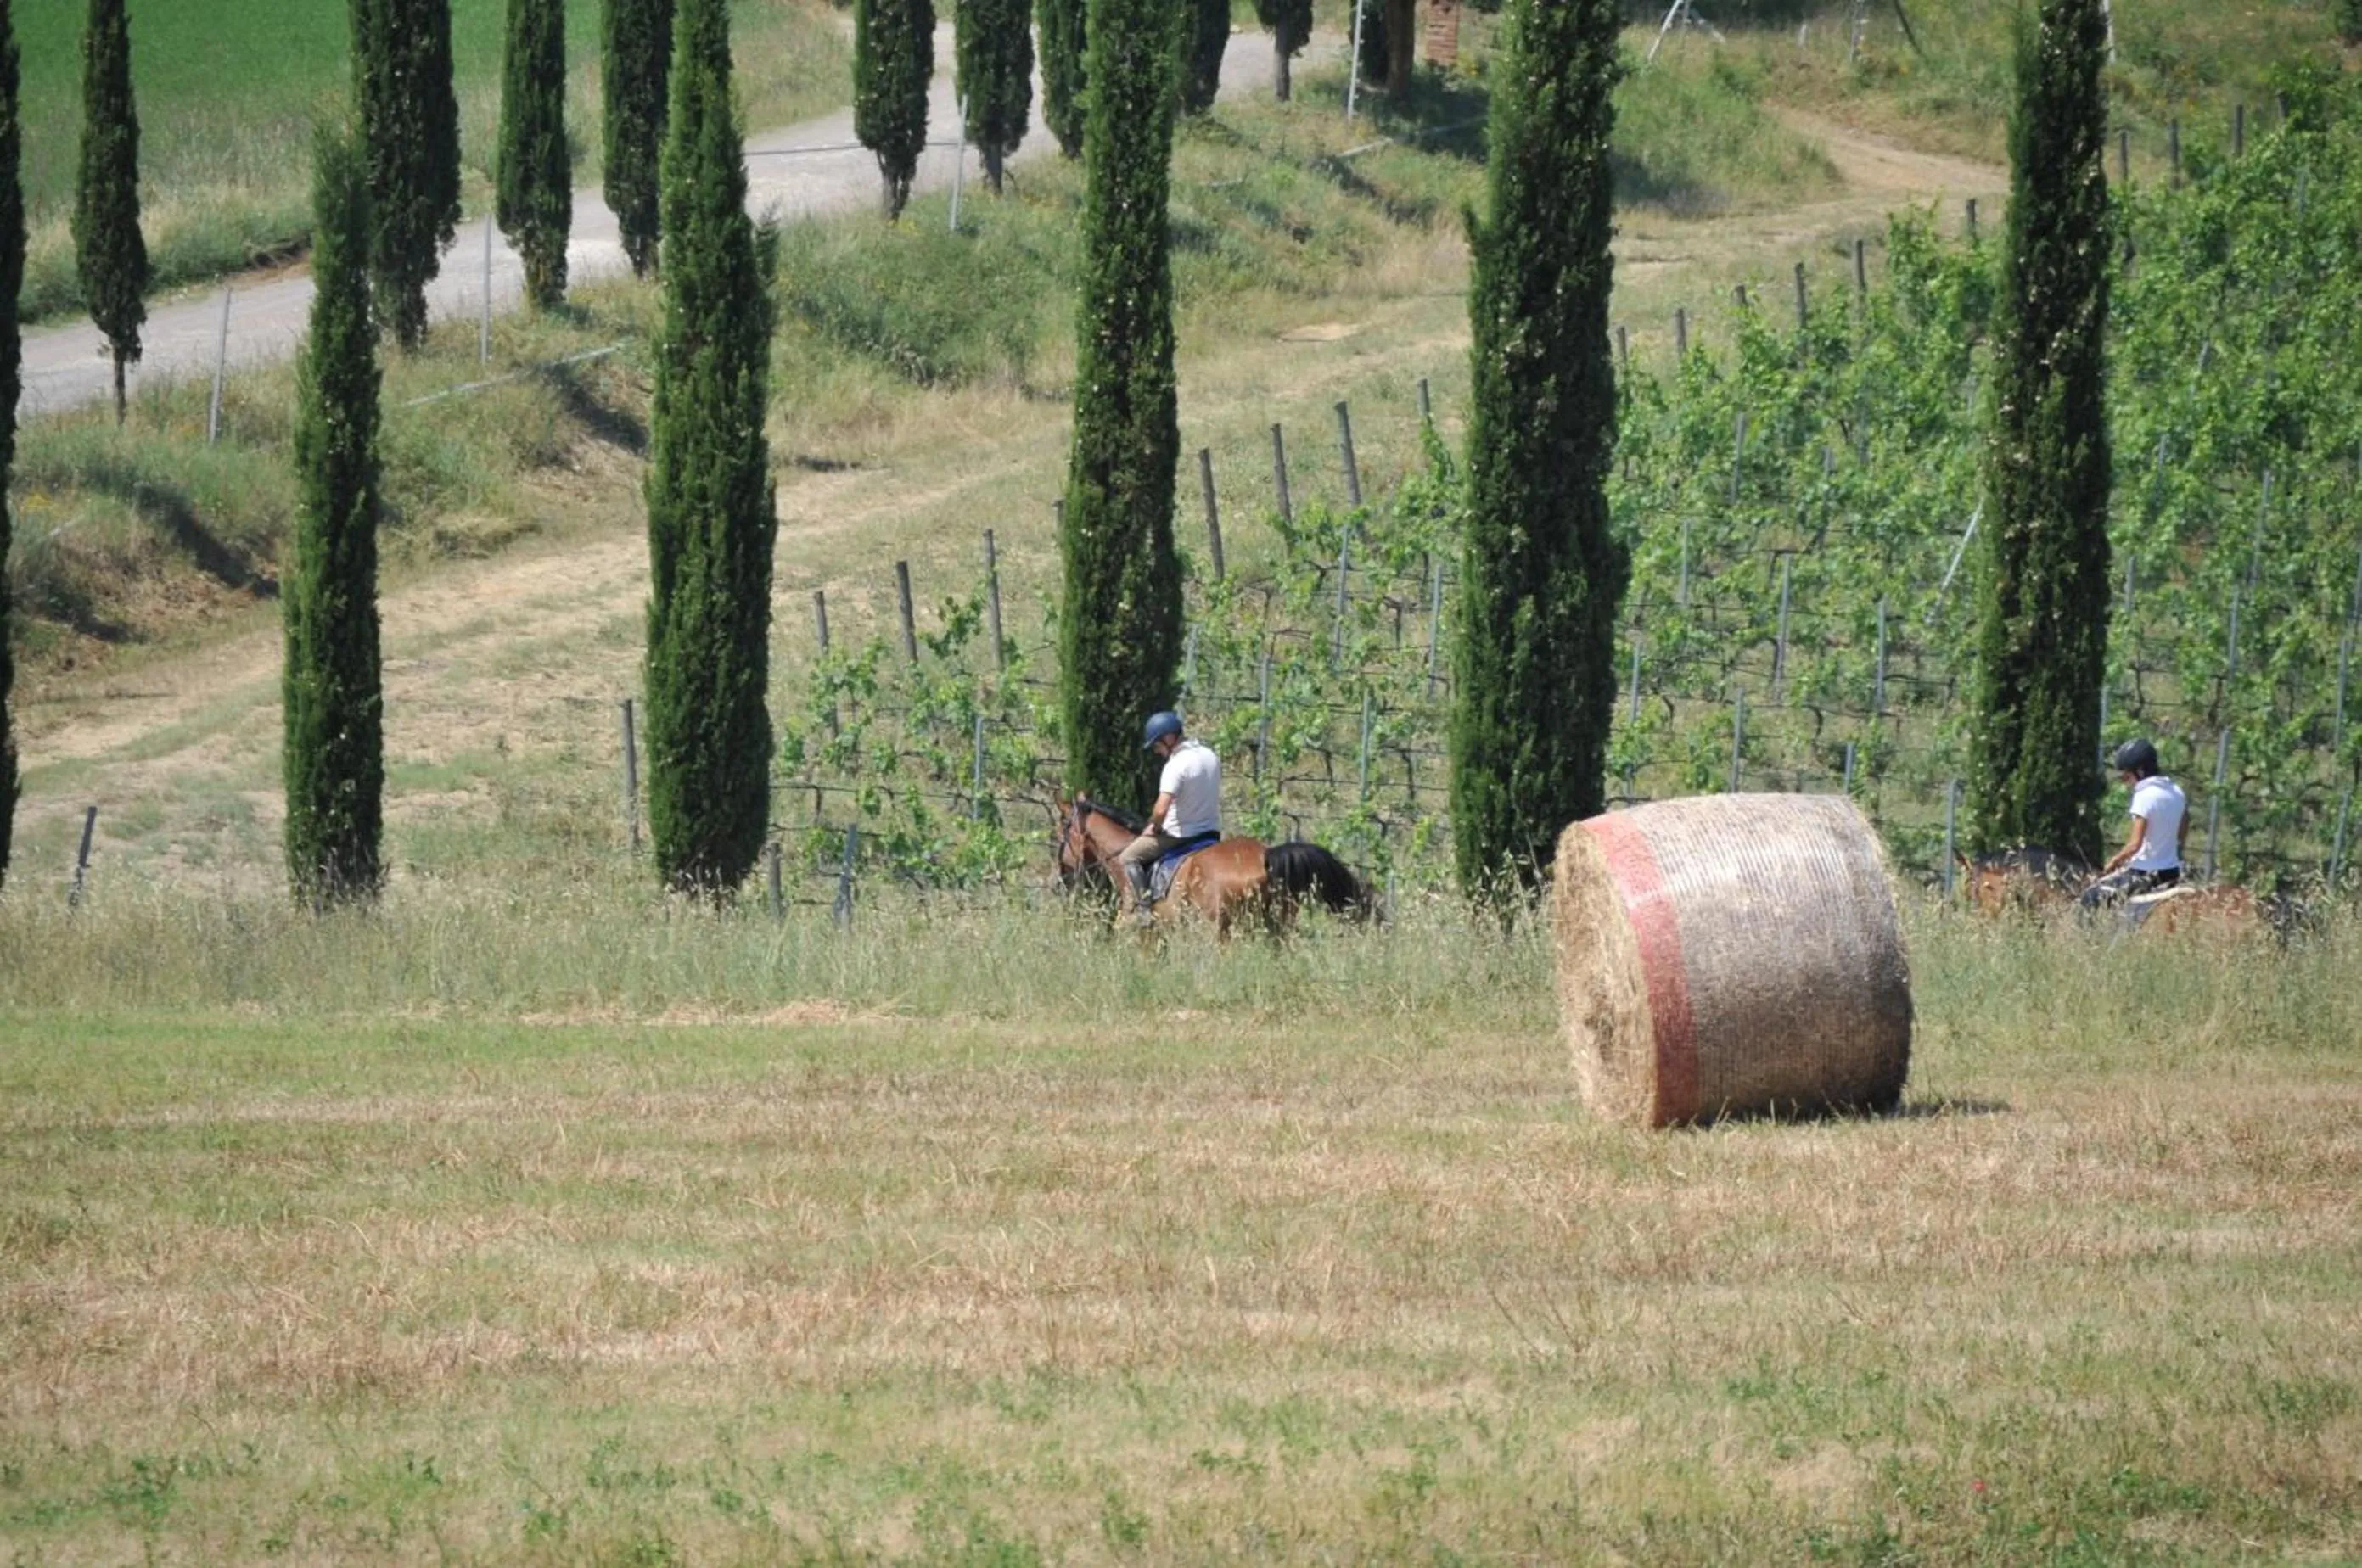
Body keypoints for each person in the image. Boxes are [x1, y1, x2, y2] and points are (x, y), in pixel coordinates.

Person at [1118, 710, 1221, 923]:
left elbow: (1161, 810)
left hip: (1180, 834)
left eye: (1157, 746)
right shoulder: (1210, 755)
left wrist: (1154, 827)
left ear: (1169, 738)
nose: (1157, 752)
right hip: (1211, 831)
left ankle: (1144, 910)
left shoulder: (1176, 765)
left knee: (1128, 857)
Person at [2079, 738, 2188, 910]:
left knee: (2090, 897)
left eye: (2127, 776)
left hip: (2144, 873)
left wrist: (2112, 864)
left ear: (2140, 771)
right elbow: (2181, 835)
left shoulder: (2144, 795)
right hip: (2173, 872)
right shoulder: (2177, 791)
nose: (2126, 781)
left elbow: (2134, 845)